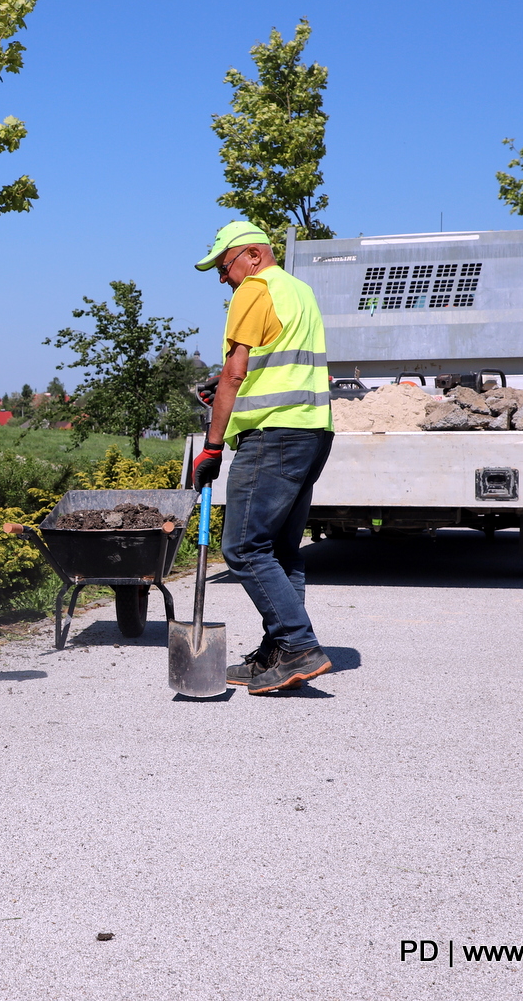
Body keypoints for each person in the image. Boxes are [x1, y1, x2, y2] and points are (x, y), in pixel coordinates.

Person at [190, 220, 335, 694]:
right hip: (311, 432)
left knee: (244, 548)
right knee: (280, 551)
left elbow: (236, 374)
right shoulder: (299, 291)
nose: (221, 277)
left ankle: (299, 646)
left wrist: (212, 446)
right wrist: (226, 378)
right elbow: (266, 363)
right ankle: (280, 656)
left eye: (223, 265)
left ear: (252, 255)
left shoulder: (252, 289)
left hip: (271, 435)